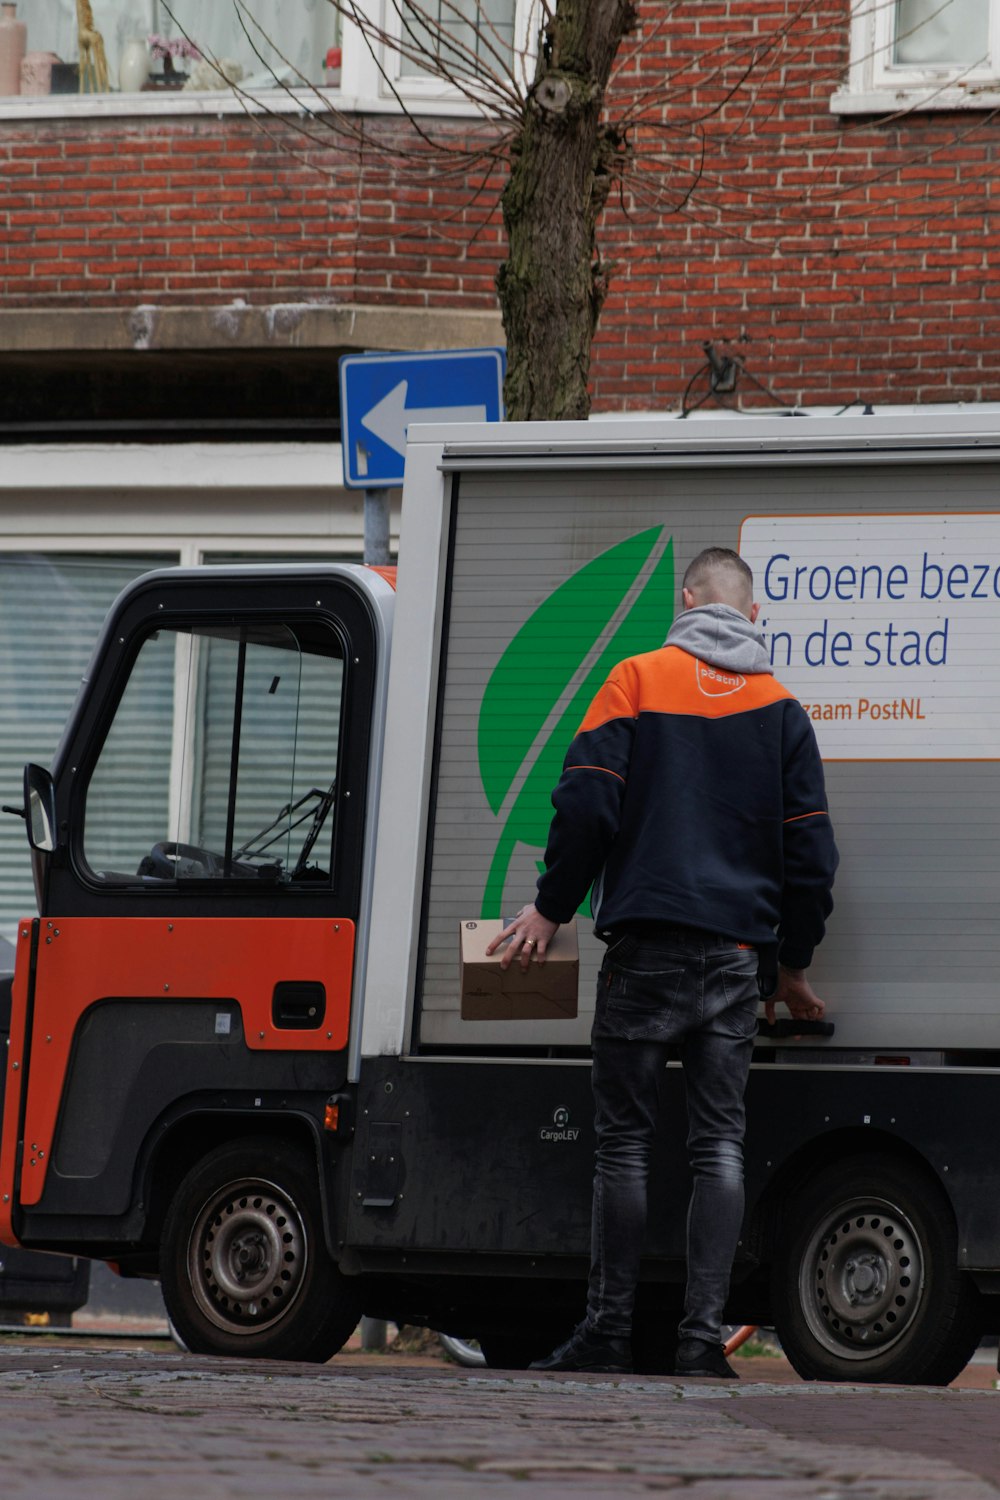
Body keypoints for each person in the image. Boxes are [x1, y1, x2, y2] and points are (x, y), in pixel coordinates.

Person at [486, 546, 838, 1379]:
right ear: (752, 618)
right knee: (718, 1147)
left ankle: (608, 1334)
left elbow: (584, 803)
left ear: (684, 603)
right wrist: (792, 965)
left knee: (624, 1149)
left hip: (645, 947)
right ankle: (698, 1343)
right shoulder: (783, 709)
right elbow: (811, 856)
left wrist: (550, 907)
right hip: (734, 958)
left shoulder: (635, 678)